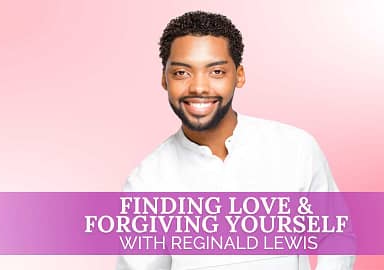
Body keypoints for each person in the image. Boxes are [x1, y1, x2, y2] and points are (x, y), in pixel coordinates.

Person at [117, 10, 355, 270]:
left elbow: (336, 236)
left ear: (238, 75)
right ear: (165, 79)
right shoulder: (147, 181)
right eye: (182, 73)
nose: (199, 87)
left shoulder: (296, 148)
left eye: (216, 71)